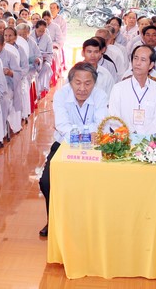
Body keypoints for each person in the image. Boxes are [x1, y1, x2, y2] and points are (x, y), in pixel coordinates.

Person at [38, 62, 108, 238]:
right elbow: (62, 126)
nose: (82, 88)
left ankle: (89, 222)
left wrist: (79, 133)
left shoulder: (100, 96)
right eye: (78, 83)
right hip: (63, 145)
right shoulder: (61, 95)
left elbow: (101, 126)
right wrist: (86, 134)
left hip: (93, 148)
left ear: (94, 83)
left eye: (88, 83)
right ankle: (52, 220)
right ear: (70, 82)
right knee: (46, 181)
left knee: (96, 181)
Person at [109, 45, 156, 143]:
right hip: (125, 141)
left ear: (151, 65)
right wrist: (130, 136)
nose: (138, 63)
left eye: (143, 60)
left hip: (151, 142)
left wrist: (142, 138)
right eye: (135, 58)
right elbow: (114, 119)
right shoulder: (118, 88)